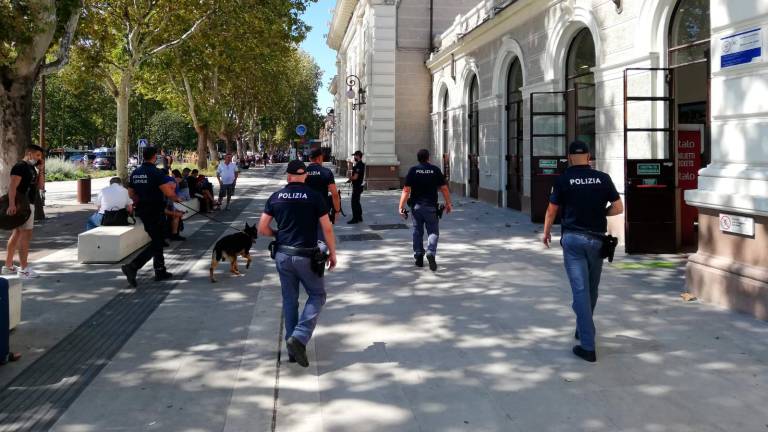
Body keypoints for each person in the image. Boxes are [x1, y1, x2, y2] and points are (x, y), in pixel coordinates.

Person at [542, 140, 624, 363]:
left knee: (580, 291)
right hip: (597, 241)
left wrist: (547, 232)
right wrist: (601, 213)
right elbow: (618, 207)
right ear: (589, 157)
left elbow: (552, 210)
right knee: (591, 289)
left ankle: (588, 345)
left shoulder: (563, 180)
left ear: (569, 158)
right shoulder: (602, 178)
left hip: (573, 241)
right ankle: (583, 325)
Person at [258, 160, 337, 368]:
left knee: (289, 300)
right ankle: (300, 337)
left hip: (283, 256)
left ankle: (291, 349)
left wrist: (278, 234)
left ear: (288, 176)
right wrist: (333, 254)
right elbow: (327, 229)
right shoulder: (314, 197)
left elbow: (263, 228)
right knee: (317, 295)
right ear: (305, 177)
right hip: (307, 257)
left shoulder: (276, 197)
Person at [122, 147, 181, 287]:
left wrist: (142, 199)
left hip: (143, 211)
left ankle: (160, 271)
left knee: (157, 240)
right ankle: (132, 266)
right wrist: (176, 198)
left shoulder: (135, 172)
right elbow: (167, 191)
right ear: (155, 157)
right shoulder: (156, 172)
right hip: (156, 211)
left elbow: (131, 194)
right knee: (158, 242)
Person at [398, 149, 453, 271]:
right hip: (431, 207)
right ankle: (431, 252)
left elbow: (406, 190)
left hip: (416, 207)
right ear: (428, 158)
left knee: (417, 231)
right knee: (433, 231)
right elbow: (444, 188)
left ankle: (418, 256)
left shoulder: (413, 170)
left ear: (418, 158)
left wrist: (400, 207)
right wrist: (449, 204)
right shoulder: (435, 170)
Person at [3, 145, 45, 280]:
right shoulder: (20, 166)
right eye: (38, 155)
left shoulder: (32, 168)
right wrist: (11, 204)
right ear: (29, 153)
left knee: (17, 233)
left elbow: (40, 186)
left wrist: (41, 170)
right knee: (25, 236)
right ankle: (23, 269)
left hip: (28, 204)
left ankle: (8, 266)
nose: (40, 158)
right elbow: (12, 186)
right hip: (22, 205)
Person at [305, 148, 342, 230]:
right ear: (319, 157)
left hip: (306, 210)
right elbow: (335, 194)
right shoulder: (326, 172)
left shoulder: (303, 172)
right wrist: (337, 210)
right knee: (322, 238)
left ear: (310, 158)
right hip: (322, 211)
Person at [347, 150, 365, 224]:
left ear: (358, 156)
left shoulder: (358, 165)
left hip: (357, 186)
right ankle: (359, 217)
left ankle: (355, 218)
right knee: (357, 202)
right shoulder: (360, 164)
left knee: (354, 202)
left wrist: (350, 177)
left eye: (354, 155)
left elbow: (355, 177)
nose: (354, 157)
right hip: (359, 185)